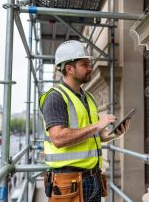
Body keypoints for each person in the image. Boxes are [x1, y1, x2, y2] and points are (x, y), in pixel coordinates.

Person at [39, 40, 130, 202]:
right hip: (69, 182)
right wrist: (97, 125)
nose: (90, 68)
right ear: (69, 69)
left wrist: (114, 133)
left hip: (93, 177)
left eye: (90, 64)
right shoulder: (55, 97)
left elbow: (97, 135)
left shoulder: (88, 98)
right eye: (85, 64)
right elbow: (58, 138)